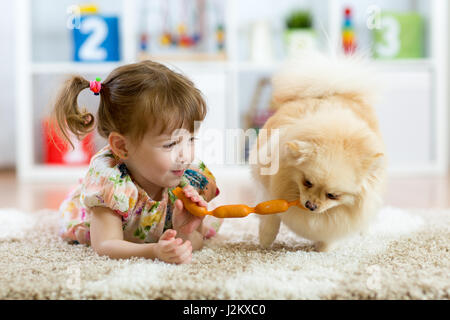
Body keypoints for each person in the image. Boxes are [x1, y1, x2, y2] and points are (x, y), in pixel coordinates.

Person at [54, 60, 222, 264]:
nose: (185, 155)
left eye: (191, 139)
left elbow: (196, 241)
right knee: (84, 228)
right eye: (170, 145)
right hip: (96, 219)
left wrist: (183, 231)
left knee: (212, 220)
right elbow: (105, 244)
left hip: (154, 215)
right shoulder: (112, 184)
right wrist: (154, 251)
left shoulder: (181, 181)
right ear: (123, 147)